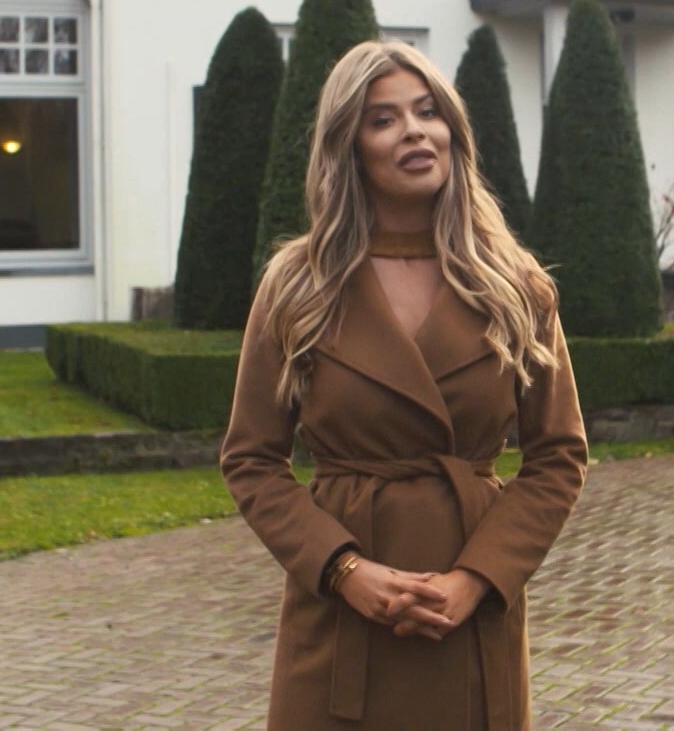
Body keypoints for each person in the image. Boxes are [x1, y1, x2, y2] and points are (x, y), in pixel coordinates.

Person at [221, 40, 589, 730]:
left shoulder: (516, 286)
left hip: (469, 617)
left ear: (453, 129)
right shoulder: (299, 286)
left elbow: (559, 456)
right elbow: (250, 460)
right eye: (384, 119)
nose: (415, 131)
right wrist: (343, 570)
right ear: (349, 147)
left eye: (428, 112)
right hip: (342, 625)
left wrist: (476, 579)